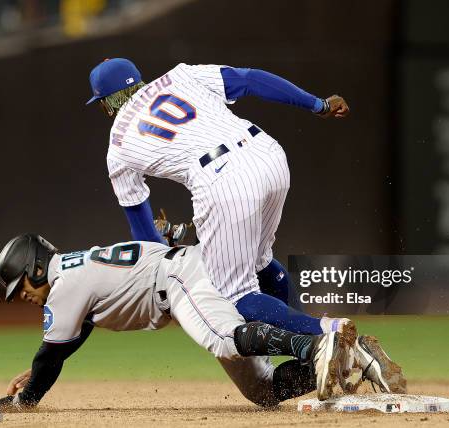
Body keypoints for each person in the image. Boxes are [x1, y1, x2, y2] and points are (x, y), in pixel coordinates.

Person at [86, 58, 353, 338]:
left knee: (234, 294)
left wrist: (165, 255)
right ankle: (310, 353)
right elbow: (252, 79)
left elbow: (142, 231)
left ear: (106, 103)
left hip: (222, 178)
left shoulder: (116, 146)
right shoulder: (182, 75)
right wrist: (318, 104)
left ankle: (327, 332)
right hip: (267, 152)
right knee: (260, 261)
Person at [0, 234, 362, 411]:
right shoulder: (72, 273)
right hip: (181, 277)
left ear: (37, 267)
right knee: (260, 392)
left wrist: (24, 401)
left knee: (225, 340)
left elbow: (51, 355)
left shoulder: (63, 286)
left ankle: (314, 346)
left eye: (21, 284)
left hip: (180, 279)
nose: (21, 295)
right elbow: (73, 337)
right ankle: (333, 367)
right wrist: (37, 371)